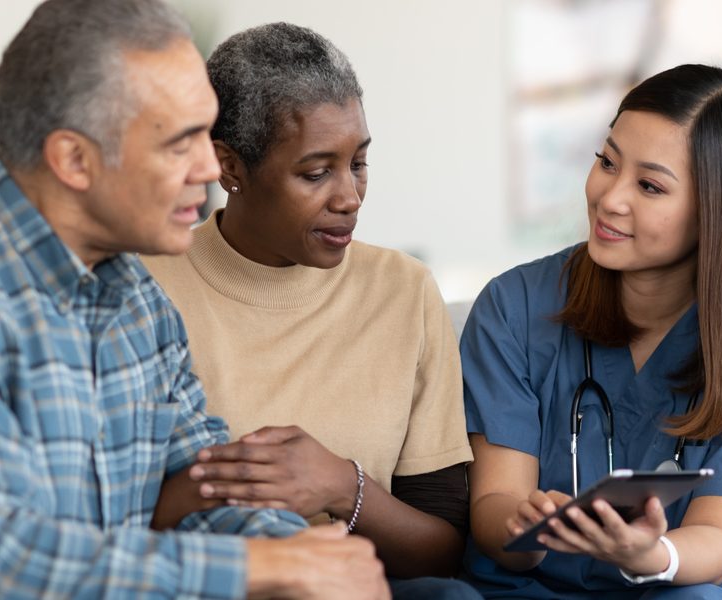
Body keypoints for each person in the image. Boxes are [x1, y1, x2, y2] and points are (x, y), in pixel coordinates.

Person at [0, 1, 389, 598]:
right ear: (74, 160)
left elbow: (208, 489)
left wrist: (306, 555)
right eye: (179, 142)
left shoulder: (136, 297)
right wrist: (269, 566)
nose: (208, 167)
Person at [142, 22, 477, 599]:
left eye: (359, 164)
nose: (349, 197)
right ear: (229, 168)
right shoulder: (147, 288)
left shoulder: (404, 291)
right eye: (316, 172)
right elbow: (107, 521)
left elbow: (444, 549)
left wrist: (344, 488)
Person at [460, 64, 722, 599]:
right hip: (528, 587)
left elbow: (716, 539)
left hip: (679, 585)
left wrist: (651, 554)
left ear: (717, 212)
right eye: (607, 162)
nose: (610, 197)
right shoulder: (515, 309)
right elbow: (494, 504)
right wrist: (525, 526)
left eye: (649, 185)